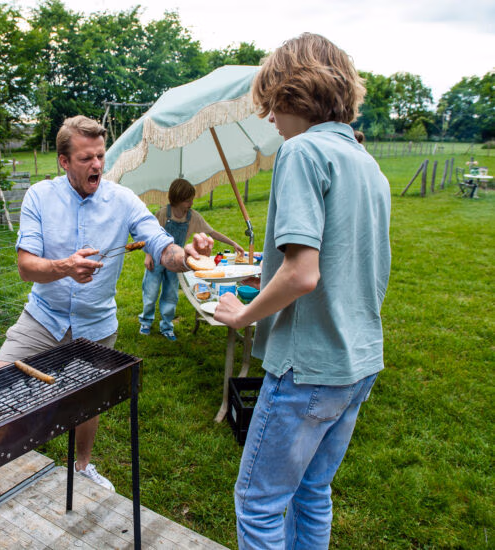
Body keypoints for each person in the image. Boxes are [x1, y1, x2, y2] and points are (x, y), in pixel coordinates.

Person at [0, 115, 214, 533]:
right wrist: (65, 267)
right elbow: (26, 266)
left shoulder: (123, 200)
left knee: (88, 403)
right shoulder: (40, 197)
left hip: (96, 325)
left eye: (100, 156)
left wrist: (187, 255)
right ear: (64, 161)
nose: (96, 164)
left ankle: (82, 467)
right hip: (42, 318)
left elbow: (161, 245)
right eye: (86, 158)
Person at [213, 33, 391, 549]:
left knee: (259, 503)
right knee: (313, 491)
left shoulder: (302, 152)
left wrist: (242, 315)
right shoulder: (366, 163)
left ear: (295, 93)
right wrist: (265, 274)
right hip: (358, 362)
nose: (269, 117)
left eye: (273, 102)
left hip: (306, 367)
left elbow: (302, 274)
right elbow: (345, 262)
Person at [138, 177, 243, 341]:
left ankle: (167, 326)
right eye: (188, 200)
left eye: (192, 199)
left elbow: (212, 232)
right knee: (150, 292)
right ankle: (146, 321)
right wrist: (148, 255)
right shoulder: (163, 214)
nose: (191, 203)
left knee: (171, 294)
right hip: (156, 260)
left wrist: (233, 243)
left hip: (177, 262)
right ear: (177, 199)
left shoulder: (193, 217)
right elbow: (150, 236)